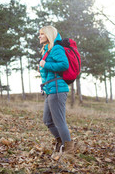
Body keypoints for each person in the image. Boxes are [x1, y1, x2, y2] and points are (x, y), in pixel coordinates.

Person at [38, 25, 75, 159]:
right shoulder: (48, 50)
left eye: (42, 34)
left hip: (58, 90)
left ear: (49, 35)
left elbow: (64, 64)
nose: (39, 36)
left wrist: (45, 65)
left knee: (59, 122)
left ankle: (69, 152)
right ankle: (61, 143)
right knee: (47, 120)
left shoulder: (56, 48)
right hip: (51, 90)